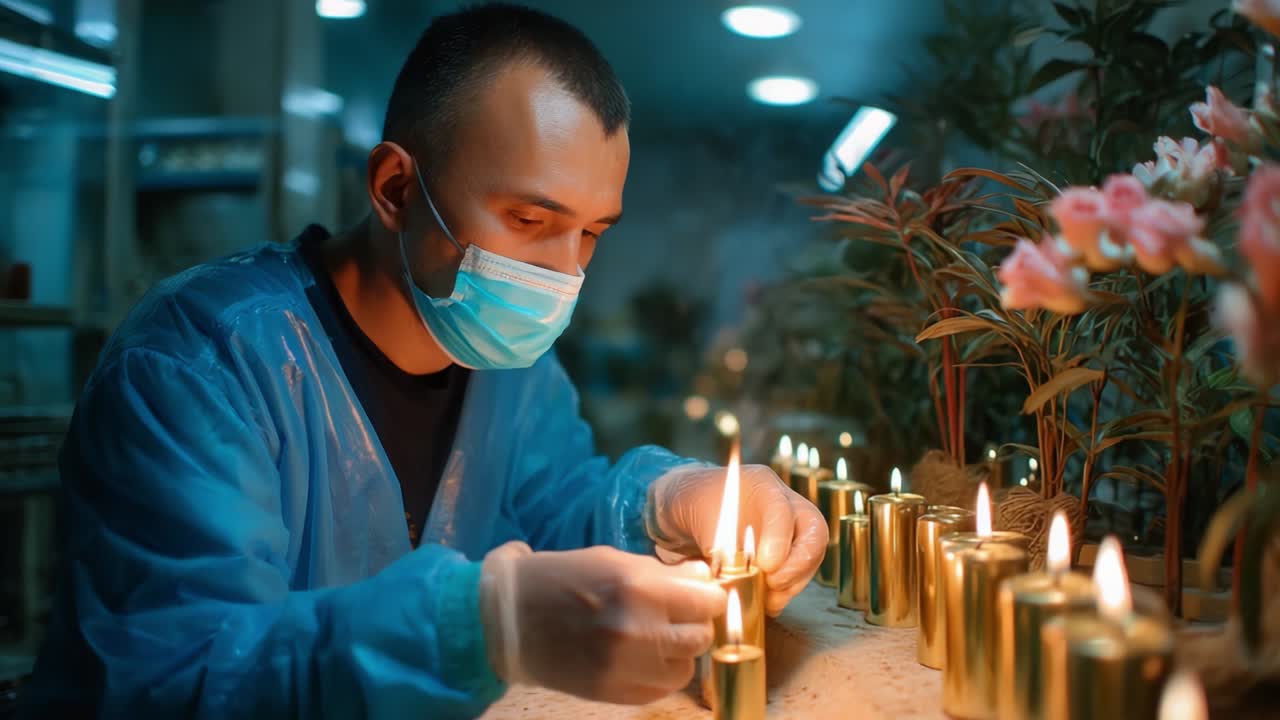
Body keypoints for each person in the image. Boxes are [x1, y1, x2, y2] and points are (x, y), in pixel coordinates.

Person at [18, 4, 826, 719]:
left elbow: (554, 507)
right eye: (528, 218)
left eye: (591, 233)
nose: (562, 272)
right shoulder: (199, 367)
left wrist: (669, 500)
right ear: (396, 188)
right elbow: (182, 678)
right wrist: (482, 626)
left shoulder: (514, 371)